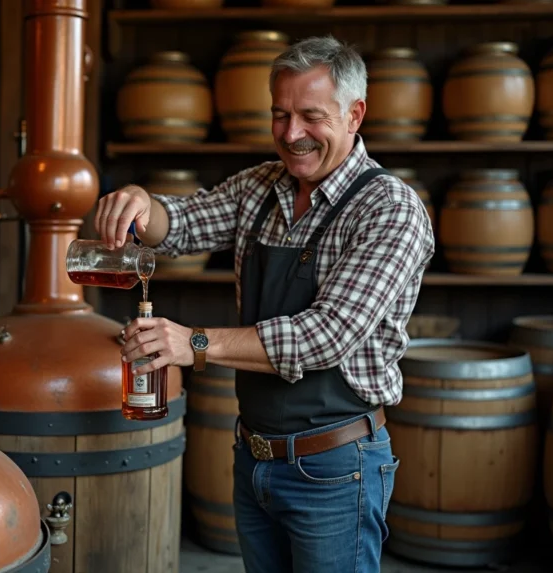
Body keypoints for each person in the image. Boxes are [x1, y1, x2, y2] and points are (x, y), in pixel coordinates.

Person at [96, 35, 435, 573]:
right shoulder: (262, 186)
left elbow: (325, 335)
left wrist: (194, 344)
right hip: (254, 457)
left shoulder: (389, 209)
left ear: (355, 115)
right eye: (280, 114)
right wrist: (142, 205)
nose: (292, 134)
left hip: (335, 467)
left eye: (310, 116)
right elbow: (181, 223)